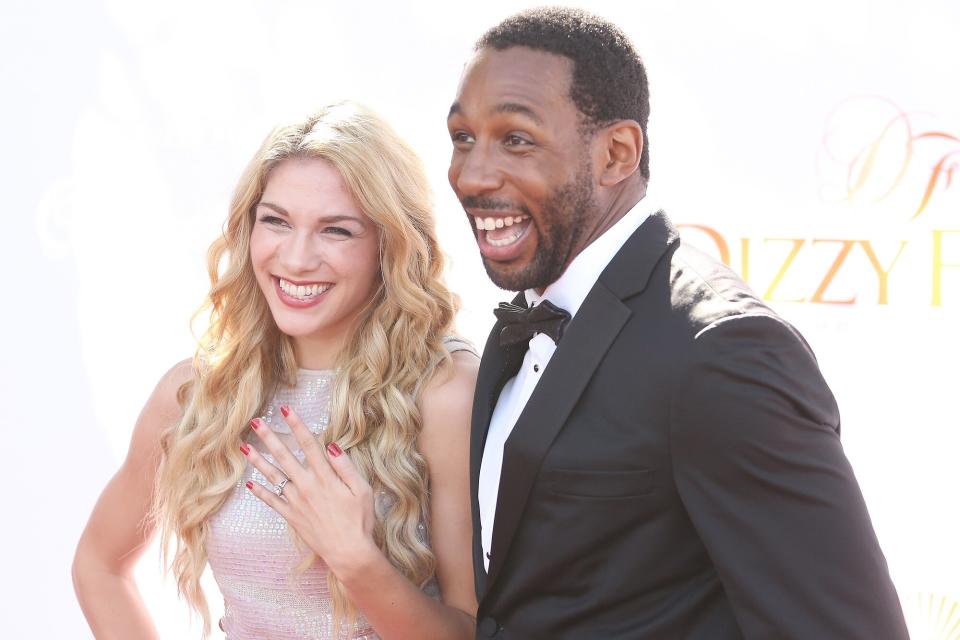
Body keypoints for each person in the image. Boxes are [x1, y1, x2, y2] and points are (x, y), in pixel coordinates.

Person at [446, 7, 909, 639]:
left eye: (517, 139)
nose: (472, 175)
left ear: (616, 153)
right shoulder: (525, 325)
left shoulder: (722, 350)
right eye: (463, 138)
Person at [73, 101, 479, 639]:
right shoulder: (198, 393)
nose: (296, 258)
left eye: (336, 230)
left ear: (389, 244)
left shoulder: (444, 392)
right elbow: (98, 565)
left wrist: (357, 562)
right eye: (277, 222)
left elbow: (471, 631)